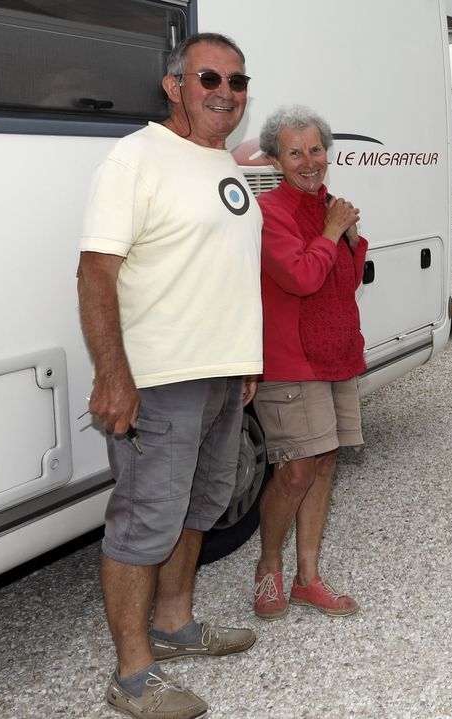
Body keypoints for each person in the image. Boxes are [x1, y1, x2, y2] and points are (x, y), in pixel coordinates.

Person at [78, 33, 262, 719]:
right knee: (144, 521)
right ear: (174, 84)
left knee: (202, 505)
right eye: (209, 77)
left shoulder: (223, 164)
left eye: (238, 82)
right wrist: (113, 375)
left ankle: (175, 624)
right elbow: (96, 271)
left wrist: (246, 360)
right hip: (160, 376)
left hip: (219, 375)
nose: (226, 92)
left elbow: (226, 270)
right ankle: (130, 676)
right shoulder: (137, 157)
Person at [250, 105, 367, 620]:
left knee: (324, 464)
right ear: (275, 160)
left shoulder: (330, 208)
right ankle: (268, 567)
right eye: (295, 151)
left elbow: (347, 278)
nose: (308, 160)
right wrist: (332, 230)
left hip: (336, 355)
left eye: (316, 149)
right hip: (290, 361)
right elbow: (300, 277)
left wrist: (348, 237)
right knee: (296, 470)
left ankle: (308, 579)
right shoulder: (269, 213)